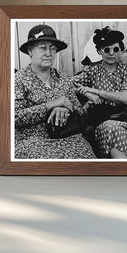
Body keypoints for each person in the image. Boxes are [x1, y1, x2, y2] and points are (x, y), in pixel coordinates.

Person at [14, 24, 95, 159]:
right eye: (42, 47)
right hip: (32, 141)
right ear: (30, 51)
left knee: (87, 160)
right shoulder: (19, 80)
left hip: (68, 136)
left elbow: (81, 112)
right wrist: (50, 105)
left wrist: (66, 108)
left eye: (52, 48)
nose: (48, 53)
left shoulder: (62, 77)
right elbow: (14, 118)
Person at [73, 26, 127, 159]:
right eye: (106, 49)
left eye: (115, 49)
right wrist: (86, 93)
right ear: (99, 51)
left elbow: (125, 98)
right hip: (105, 119)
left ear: (121, 51)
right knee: (109, 128)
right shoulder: (92, 71)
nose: (111, 53)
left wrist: (96, 91)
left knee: (111, 128)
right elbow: (67, 85)